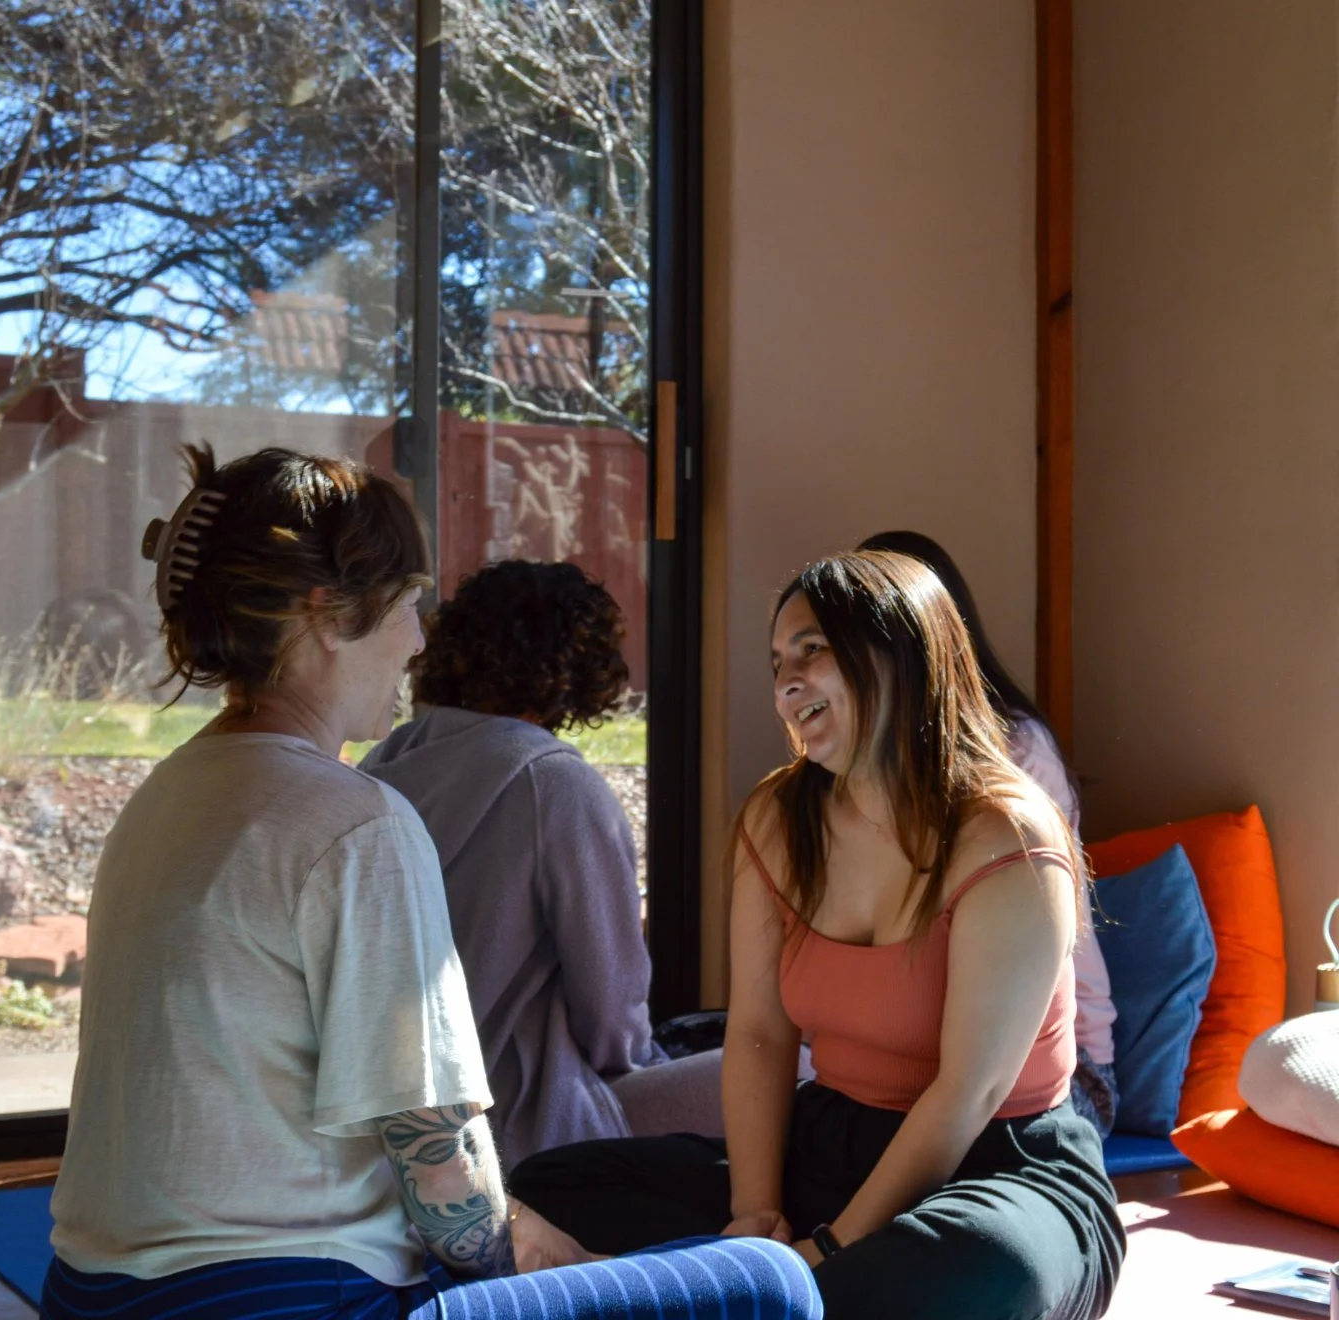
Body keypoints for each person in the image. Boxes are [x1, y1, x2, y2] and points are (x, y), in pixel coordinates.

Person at [41, 445, 819, 1320]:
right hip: (280, 1299)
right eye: (408, 604)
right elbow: (445, 1175)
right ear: (327, 613)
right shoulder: (355, 818)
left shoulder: (166, 797)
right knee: (769, 1282)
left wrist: (525, 1226)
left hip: (89, 1294)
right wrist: (540, 1259)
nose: (417, 641)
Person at [510, 550, 1126, 1320]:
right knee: (547, 1187)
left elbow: (970, 1092)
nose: (786, 682)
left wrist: (828, 1251)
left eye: (812, 649)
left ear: (900, 653)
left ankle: (717, 1299)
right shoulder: (778, 818)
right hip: (830, 1143)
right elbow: (763, 1034)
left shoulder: (1006, 835)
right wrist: (756, 1219)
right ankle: (742, 1297)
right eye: (777, 662)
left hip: (998, 1169)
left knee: (974, 1272)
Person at [362, 560, 722, 1164]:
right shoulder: (552, 783)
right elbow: (613, 1026)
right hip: (526, 1121)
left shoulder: (389, 760)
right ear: (577, 671)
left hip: (399, 1122)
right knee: (796, 1067)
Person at [858, 529, 1118, 1136]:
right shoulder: (860, 760)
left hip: (1055, 1072)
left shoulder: (1017, 751)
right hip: (914, 1061)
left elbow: (1008, 975)